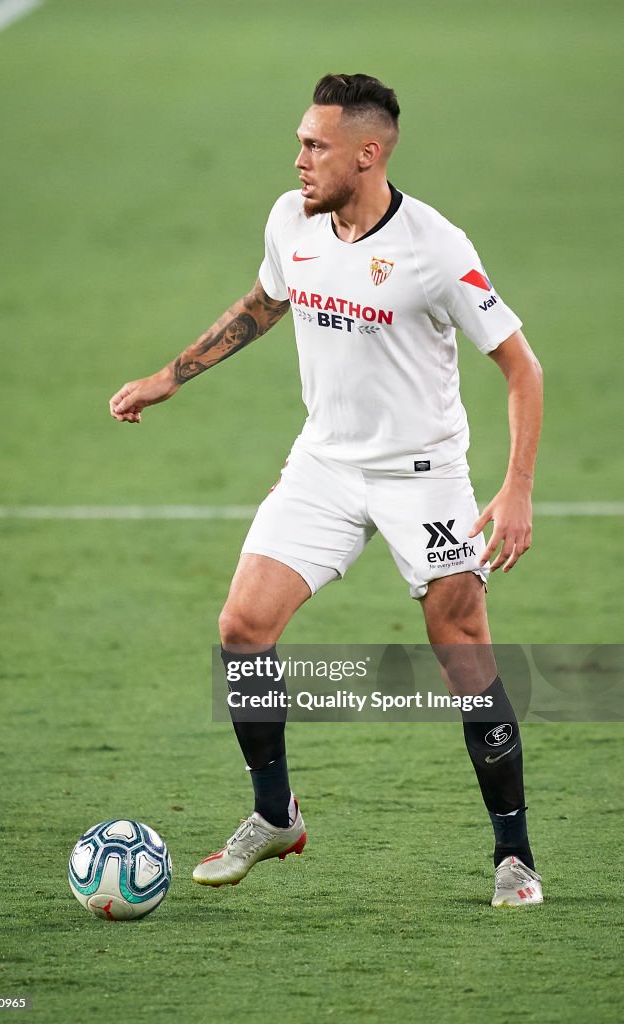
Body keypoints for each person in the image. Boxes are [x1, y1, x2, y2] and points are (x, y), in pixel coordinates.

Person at [109, 73, 544, 907]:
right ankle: (275, 814)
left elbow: (520, 368)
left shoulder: (436, 248)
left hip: (422, 475)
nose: (299, 159)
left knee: (463, 654)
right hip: (325, 464)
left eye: (315, 146)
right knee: (243, 626)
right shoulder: (290, 218)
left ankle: (514, 857)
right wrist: (172, 375)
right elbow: (268, 300)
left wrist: (515, 488)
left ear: (367, 154)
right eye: (300, 142)